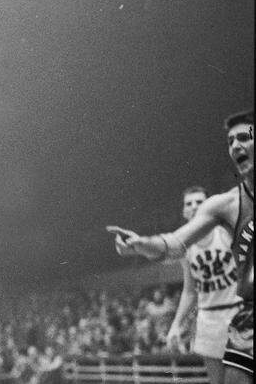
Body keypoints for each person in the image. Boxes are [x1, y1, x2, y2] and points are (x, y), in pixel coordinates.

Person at [108, 109, 253, 384]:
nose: (235, 146)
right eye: (230, 141)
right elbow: (175, 246)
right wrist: (141, 244)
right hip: (230, 318)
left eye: (244, 137)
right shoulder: (225, 207)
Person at [165, 186, 240, 384]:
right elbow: (190, 291)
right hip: (208, 317)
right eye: (189, 203)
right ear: (183, 211)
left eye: (199, 202)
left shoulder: (225, 231)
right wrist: (176, 324)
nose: (194, 206)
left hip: (236, 313)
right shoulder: (185, 247)